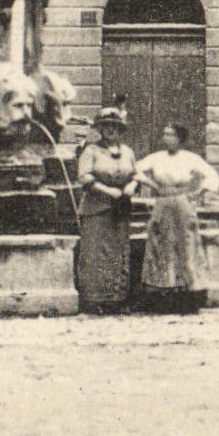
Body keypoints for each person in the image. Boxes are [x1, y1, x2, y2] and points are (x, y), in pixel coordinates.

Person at [134, 123, 219, 309]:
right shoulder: (156, 158)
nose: (167, 138)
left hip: (182, 204)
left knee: (186, 244)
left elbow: (212, 175)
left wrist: (198, 193)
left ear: (180, 139)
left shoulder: (190, 158)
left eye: (171, 135)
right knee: (161, 244)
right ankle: (163, 294)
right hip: (162, 204)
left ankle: (188, 294)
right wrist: (152, 184)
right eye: (165, 134)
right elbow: (134, 170)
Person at [75, 104, 137, 312]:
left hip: (121, 208)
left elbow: (135, 174)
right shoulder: (91, 151)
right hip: (97, 208)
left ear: (120, 130)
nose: (110, 130)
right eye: (105, 126)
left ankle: (118, 298)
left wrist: (131, 186)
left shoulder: (128, 152)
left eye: (114, 126)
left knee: (119, 251)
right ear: (99, 129)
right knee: (97, 252)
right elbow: (84, 177)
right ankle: (95, 300)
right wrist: (107, 191)